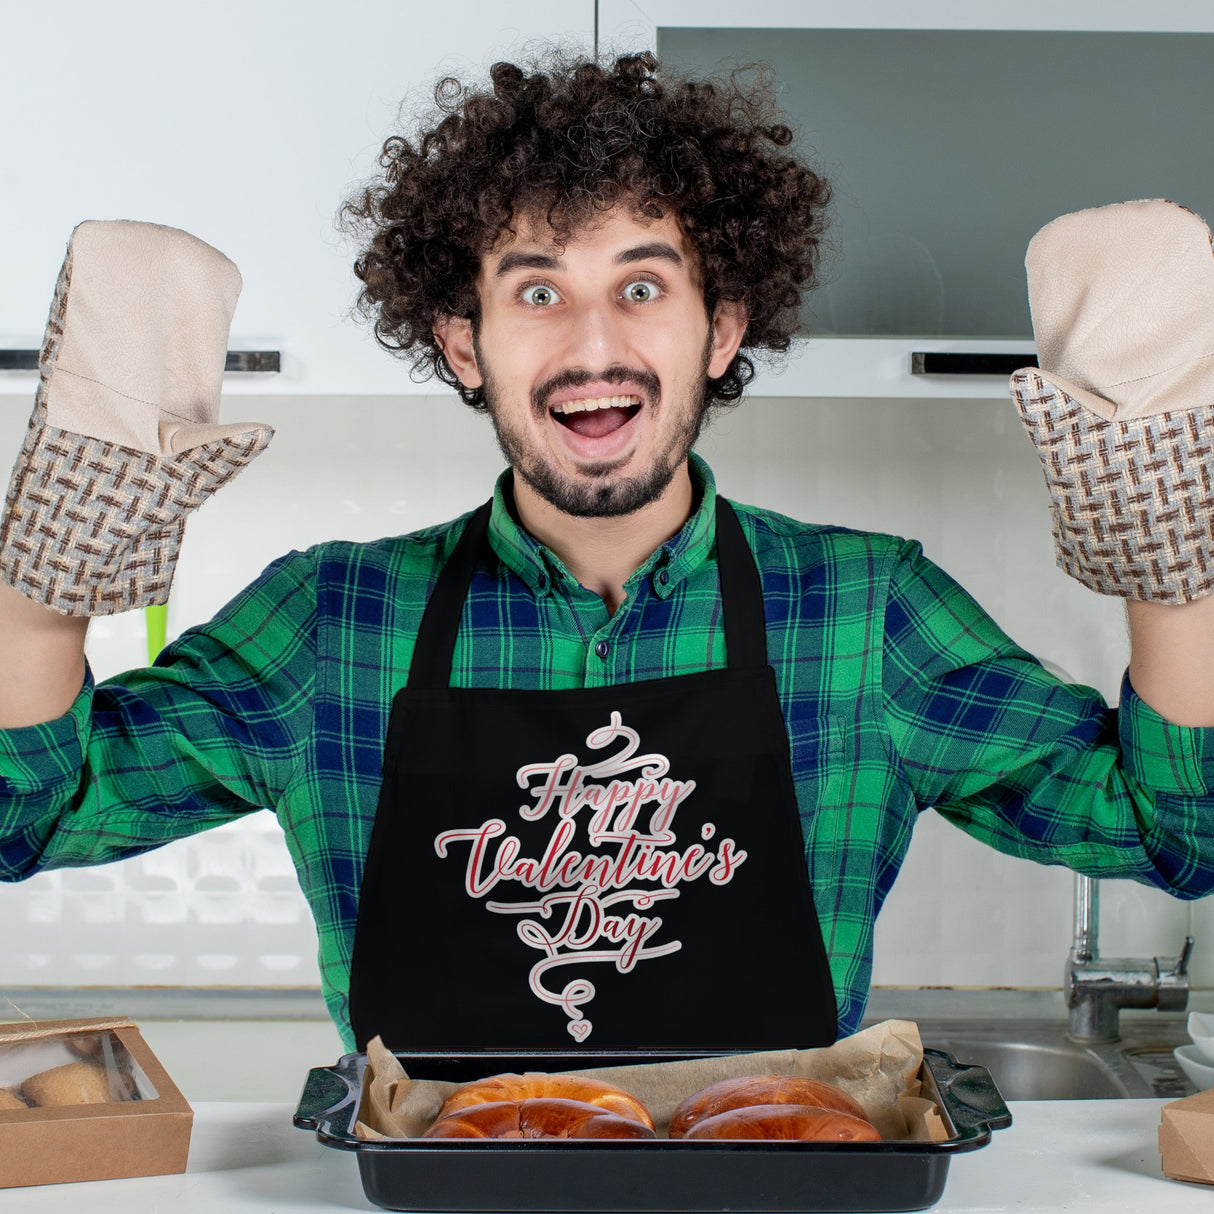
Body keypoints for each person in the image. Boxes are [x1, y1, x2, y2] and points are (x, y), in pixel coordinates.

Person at [2, 52, 1213, 1056]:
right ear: (461, 341)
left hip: (766, 1187)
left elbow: (1174, 834)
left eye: (642, 285)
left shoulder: (864, 610)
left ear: (720, 325)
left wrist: (1169, 543)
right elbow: (28, 818)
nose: (593, 346)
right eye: (535, 294)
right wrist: (67, 537)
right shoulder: (333, 618)